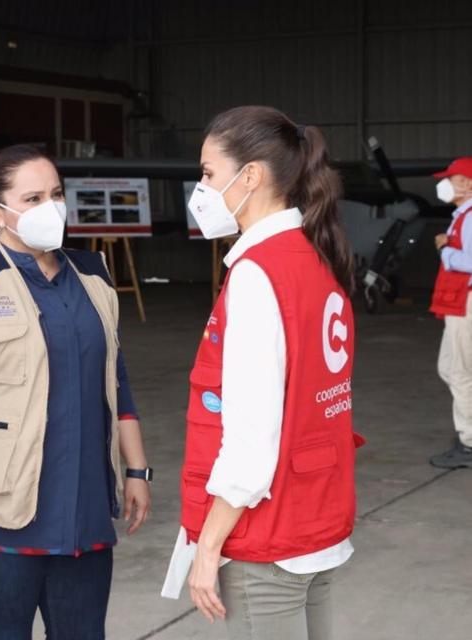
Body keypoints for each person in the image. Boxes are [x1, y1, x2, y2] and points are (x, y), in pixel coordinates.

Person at [0, 144, 152, 639]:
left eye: (57, 194)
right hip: (0, 515)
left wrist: (136, 470)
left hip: (84, 510)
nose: (51, 207)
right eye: (34, 197)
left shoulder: (92, 274)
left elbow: (117, 377)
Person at [162, 106, 364, 640]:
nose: (200, 188)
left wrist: (207, 547)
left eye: (207, 173)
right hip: (316, 518)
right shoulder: (316, 255)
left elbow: (251, 441)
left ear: (249, 176)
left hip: (266, 536)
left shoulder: (258, 274)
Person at [429, 157, 472, 469]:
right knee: (450, 367)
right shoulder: (463, 215)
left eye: (452, 178)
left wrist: (445, 248)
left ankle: (468, 442)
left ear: (468, 184)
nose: (444, 184)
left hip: (466, 301)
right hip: (460, 303)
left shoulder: (470, 218)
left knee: (460, 372)